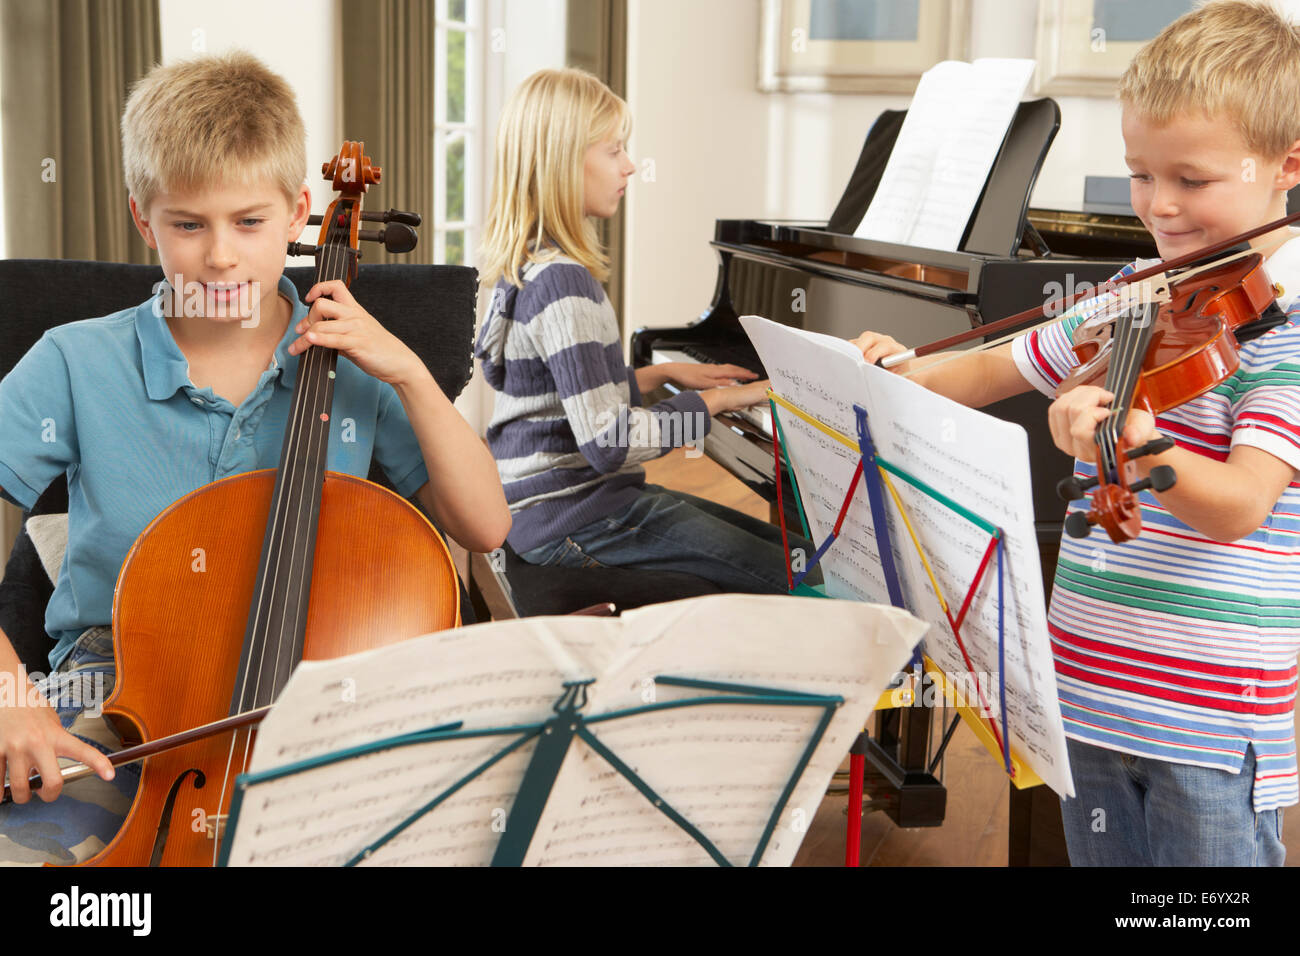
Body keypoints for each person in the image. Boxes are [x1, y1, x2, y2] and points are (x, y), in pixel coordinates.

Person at [0, 51, 510, 864]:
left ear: (301, 212)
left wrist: (409, 373)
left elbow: (484, 526)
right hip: (114, 690)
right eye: (188, 225)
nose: (222, 258)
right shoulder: (75, 361)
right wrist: (9, 695)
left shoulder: (352, 365)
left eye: (249, 222)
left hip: (321, 698)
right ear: (143, 219)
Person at [855, 0, 1300, 866]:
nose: (1159, 207)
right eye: (1141, 174)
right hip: (1088, 694)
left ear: (1286, 167)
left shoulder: (1283, 338)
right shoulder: (1134, 291)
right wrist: (897, 369)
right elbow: (991, 368)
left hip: (1207, 720)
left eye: (1192, 179)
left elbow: (1242, 505)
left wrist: (1147, 446)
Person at [475, 68, 812, 594]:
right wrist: (721, 403)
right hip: (576, 518)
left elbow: (559, 397)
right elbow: (609, 442)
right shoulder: (565, 285)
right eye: (614, 150)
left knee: (782, 553)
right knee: (793, 574)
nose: (630, 166)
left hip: (545, 506)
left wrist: (660, 374)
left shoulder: (530, 265)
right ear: (564, 163)